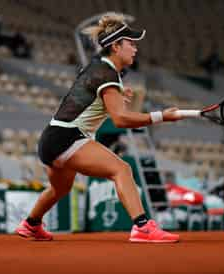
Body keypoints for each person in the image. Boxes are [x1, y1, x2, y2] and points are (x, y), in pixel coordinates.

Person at [15, 12, 183, 243]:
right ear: (116, 46)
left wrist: (117, 98)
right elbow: (121, 121)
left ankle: (31, 225)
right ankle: (142, 227)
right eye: (131, 43)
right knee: (122, 170)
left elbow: (91, 101)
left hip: (51, 139)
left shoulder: (98, 68)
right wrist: (160, 116)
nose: (135, 49)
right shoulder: (106, 73)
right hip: (67, 137)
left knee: (60, 190)